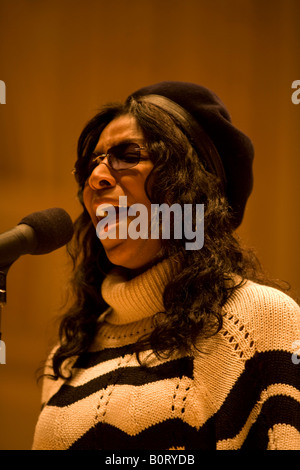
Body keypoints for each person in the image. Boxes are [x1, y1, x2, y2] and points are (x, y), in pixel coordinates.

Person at [32, 81, 300, 450]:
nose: (96, 178)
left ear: (188, 188)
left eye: (128, 155)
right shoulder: (70, 350)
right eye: (92, 164)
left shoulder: (257, 319)